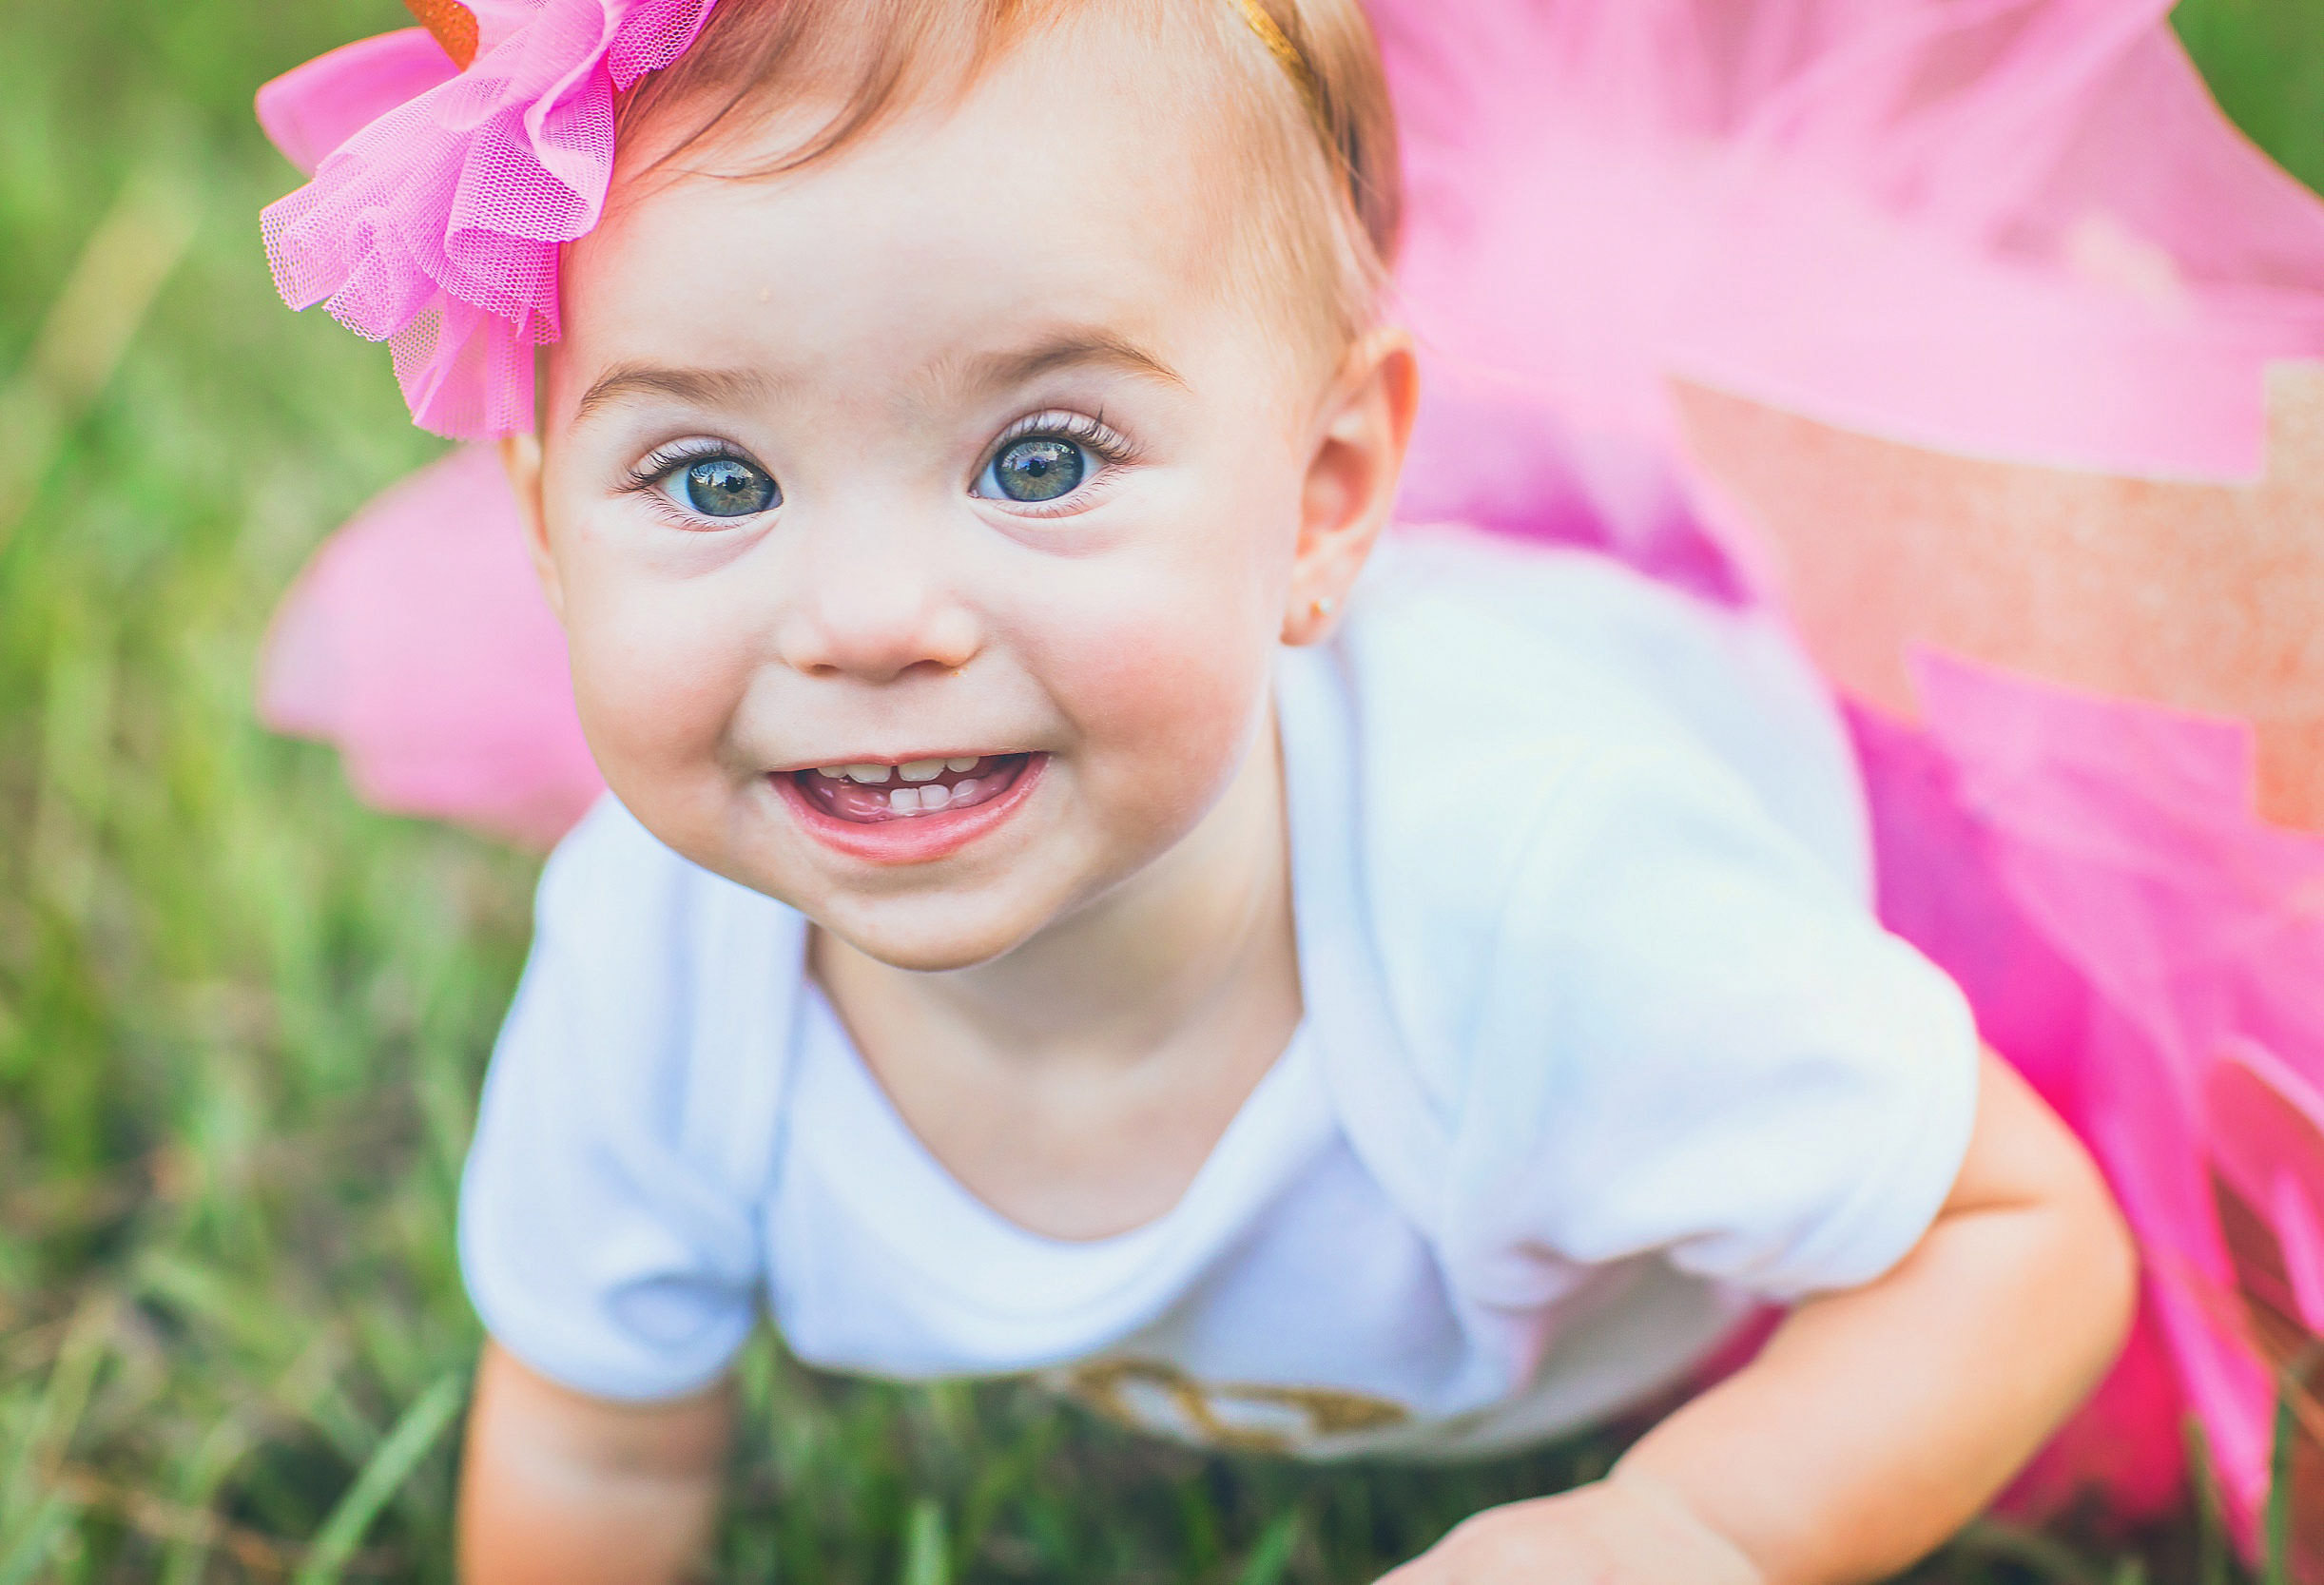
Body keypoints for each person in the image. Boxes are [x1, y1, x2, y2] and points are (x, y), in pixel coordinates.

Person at [255, 1, 2136, 1580]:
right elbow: (596, 1437)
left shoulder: (1552, 900)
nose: (872, 620)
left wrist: (1682, 1532)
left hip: (1776, 804)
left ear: (1323, 501)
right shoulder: (657, 959)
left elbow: (2012, 1240)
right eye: (715, 481)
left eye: (1042, 456)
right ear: (545, 531)